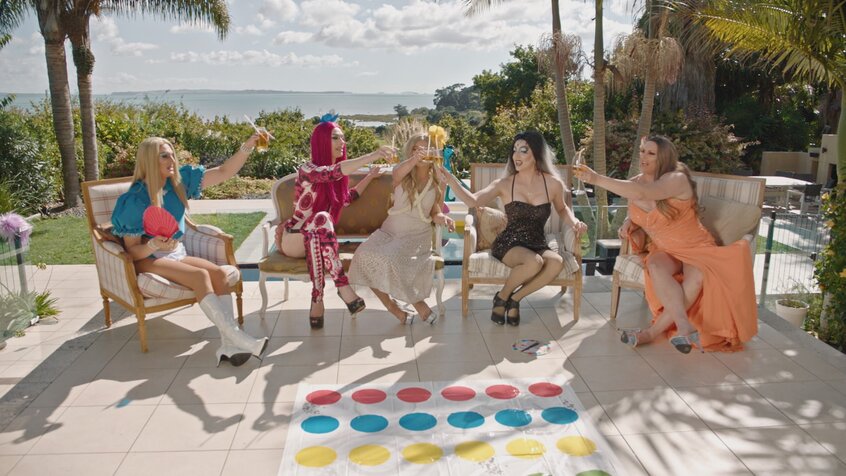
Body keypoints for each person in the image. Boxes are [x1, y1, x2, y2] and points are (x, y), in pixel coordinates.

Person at [574, 135, 758, 353]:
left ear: (664, 158)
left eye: (651, 153)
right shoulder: (636, 181)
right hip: (665, 248)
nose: (644, 156)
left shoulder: (676, 179)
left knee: (696, 278)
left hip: (696, 247)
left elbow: (644, 194)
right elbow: (641, 204)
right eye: (642, 151)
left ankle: (652, 333)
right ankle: (684, 326)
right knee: (655, 266)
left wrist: (595, 179)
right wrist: (628, 221)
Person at [112, 135, 268, 367]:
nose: (172, 160)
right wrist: (154, 245)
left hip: (176, 253)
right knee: (200, 275)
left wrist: (248, 146)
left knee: (220, 274)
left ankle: (229, 345)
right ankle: (239, 338)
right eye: (164, 156)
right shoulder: (134, 200)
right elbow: (132, 253)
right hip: (148, 259)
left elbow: (224, 171)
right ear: (149, 161)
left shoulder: (178, 183)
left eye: (172, 154)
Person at [439, 131, 587, 326]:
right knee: (534, 262)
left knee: (556, 262)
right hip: (509, 243)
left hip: (537, 242)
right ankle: (503, 296)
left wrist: (575, 222)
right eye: (514, 150)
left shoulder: (552, 183)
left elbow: (562, 208)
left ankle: (513, 298)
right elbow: (472, 201)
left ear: (536, 153)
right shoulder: (504, 184)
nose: (516, 155)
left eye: (523, 150)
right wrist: (451, 180)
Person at [275, 115, 394, 329]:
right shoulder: (308, 170)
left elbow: (347, 198)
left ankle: (317, 298)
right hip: (293, 239)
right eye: (335, 138)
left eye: (343, 138)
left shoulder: (334, 181)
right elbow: (334, 172)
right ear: (321, 141)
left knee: (320, 227)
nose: (342, 142)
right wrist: (374, 154)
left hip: (316, 240)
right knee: (322, 218)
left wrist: (369, 177)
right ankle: (342, 285)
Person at [349, 133, 455, 325]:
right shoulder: (402, 173)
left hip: (416, 236)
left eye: (425, 148)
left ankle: (411, 307)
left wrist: (444, 218)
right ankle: (396, 307)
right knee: (362, 255)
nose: (421, 152)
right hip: (389, 233)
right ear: (410, 152)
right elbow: (397, 172)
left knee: (392, 259)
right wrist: (415, 159)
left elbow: (435, 212)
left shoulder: (439, 180)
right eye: (416, 149)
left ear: (433, 151)